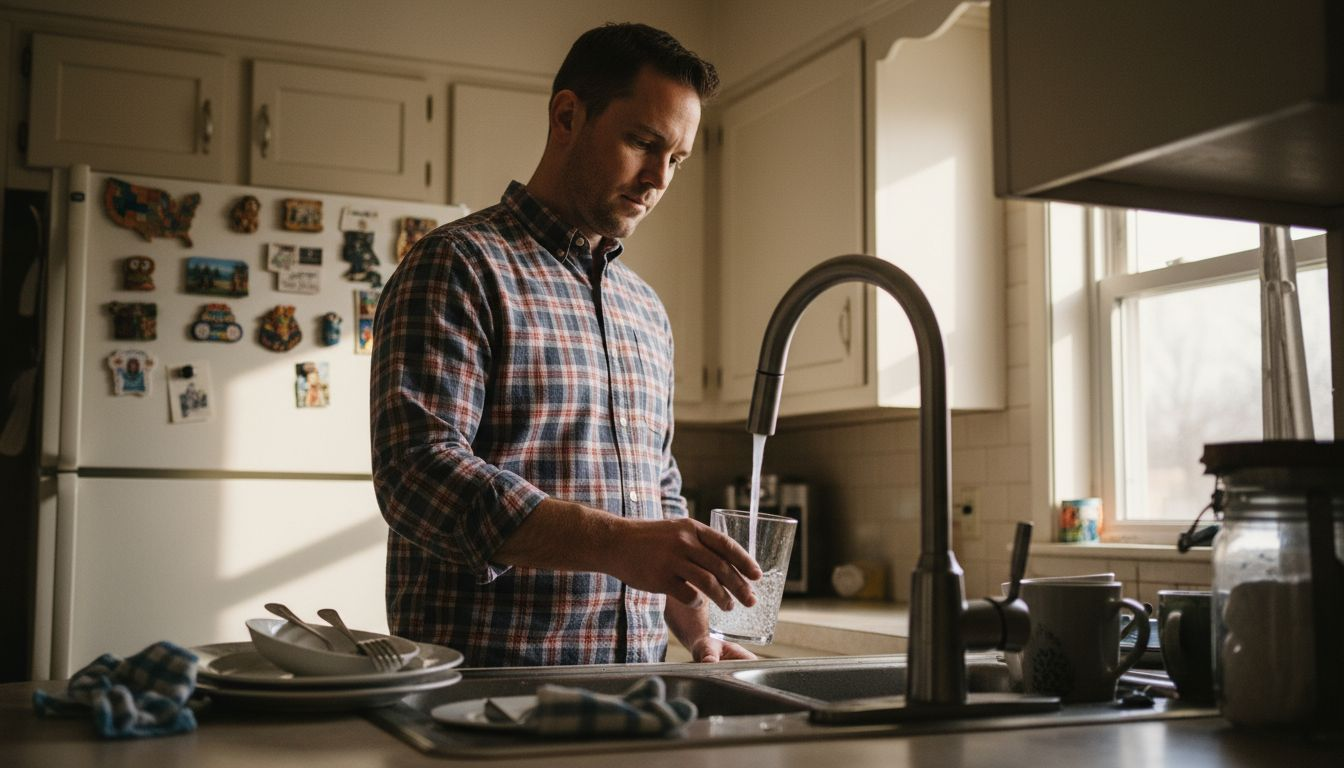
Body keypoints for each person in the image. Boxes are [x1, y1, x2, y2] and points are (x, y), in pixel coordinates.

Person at [370, 22, 760, 667]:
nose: (657, 178)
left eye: (677, 159)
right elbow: (417, 473)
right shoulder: (459, 264)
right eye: (643, 143)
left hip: (633, 688)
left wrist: (699, 629)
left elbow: (659, 491)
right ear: (567, 116)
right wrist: (614, 543)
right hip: (488, 690)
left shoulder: (645, 309)